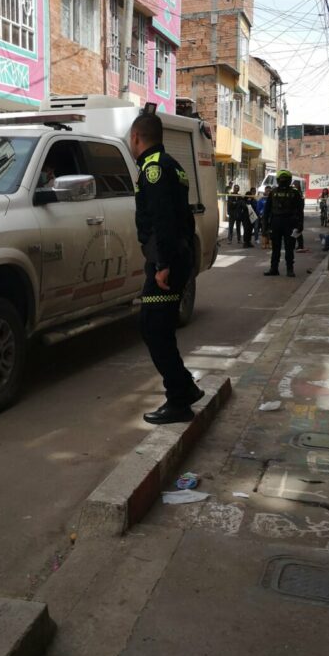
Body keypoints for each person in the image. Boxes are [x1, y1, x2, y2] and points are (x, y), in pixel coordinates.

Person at [130, 113, 204, 424]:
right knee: (157, 328)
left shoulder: (154, 169)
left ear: (137, 138)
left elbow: (163, 219)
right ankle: (183, 389)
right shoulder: (172, 164)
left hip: (167, 263)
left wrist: (163, 265)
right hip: (177, 257)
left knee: (154, 329)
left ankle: (180, 397)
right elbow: (183, 219)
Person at [262, 168, 304, 277]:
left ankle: (289, 269)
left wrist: (300, 224)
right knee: (276, 248)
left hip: (289, 222)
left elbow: (300, 210)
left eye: (285, 179)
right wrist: (265, 226)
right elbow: (266, 211)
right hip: (276, 222)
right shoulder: (273, 192)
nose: (283, 181)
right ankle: (274, 269)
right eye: (282, 179)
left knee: (289, 248)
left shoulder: (295, 193)